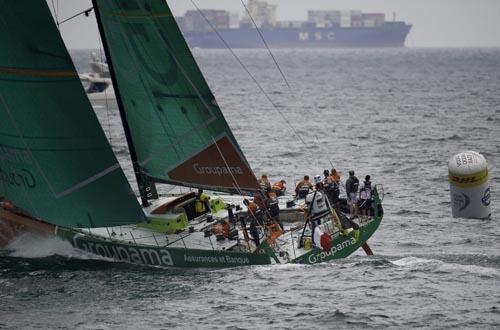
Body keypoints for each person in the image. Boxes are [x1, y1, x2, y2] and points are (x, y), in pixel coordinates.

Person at [305, 175, 329, 246]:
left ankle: (314, 242)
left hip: (316, 214)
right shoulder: (321, 192)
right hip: (324, 211)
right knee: (321, 225)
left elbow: (309, 208)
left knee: (315, 228)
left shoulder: (311, 196)